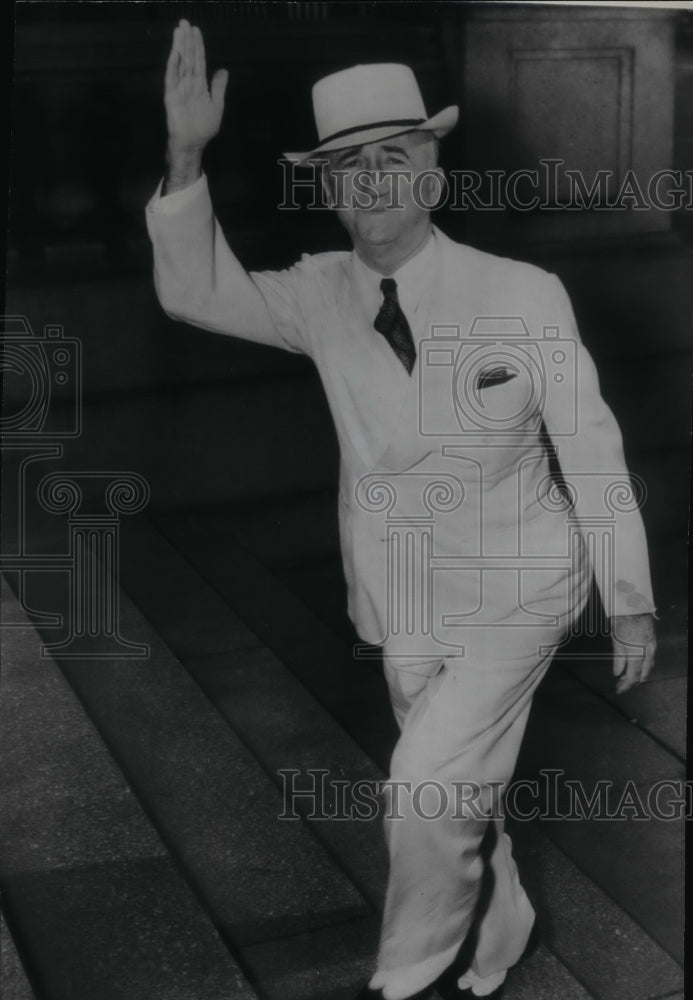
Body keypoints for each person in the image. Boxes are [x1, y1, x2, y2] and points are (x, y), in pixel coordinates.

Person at [146, 20, 657, 1000]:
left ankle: (406, 973)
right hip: (403, 598)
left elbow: (592, 445)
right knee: (458, 783)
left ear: (431, 169)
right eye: (348, 167)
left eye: (394, 157)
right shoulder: (318, 294)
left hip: (523, 581)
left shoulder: (522, 293)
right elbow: (193, 292)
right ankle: (501, 903)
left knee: (424, 786)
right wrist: (184, 153)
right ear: (327, 187)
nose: (372, 182)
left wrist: (625, 594)